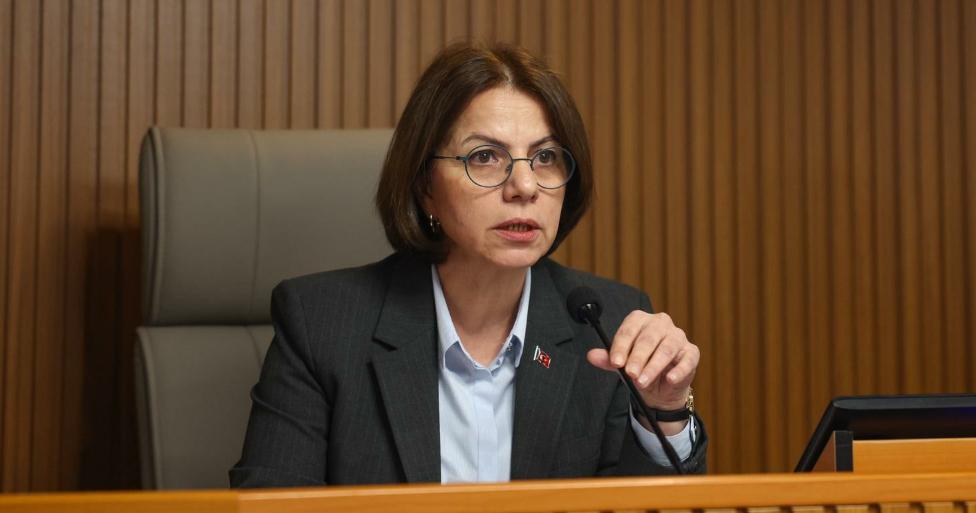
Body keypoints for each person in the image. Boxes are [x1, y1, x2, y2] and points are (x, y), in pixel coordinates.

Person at [230, 41, 707, 487]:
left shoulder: (608, 326)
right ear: (425, 186)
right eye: (485, 156)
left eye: (545, 157)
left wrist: (662, 412)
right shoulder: (322, 325)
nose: (525, 186)